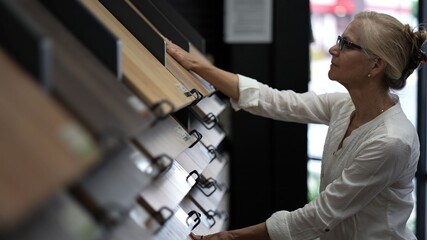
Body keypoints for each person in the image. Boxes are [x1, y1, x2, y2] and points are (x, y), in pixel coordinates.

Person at [167, 11, 427, 240]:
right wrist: (196, 65)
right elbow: (274, 100)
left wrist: (229, 237)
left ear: (376, 64)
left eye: (346, 44)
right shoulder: (345, 106)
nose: (333, 50)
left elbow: (319, 217)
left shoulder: (391, 141)